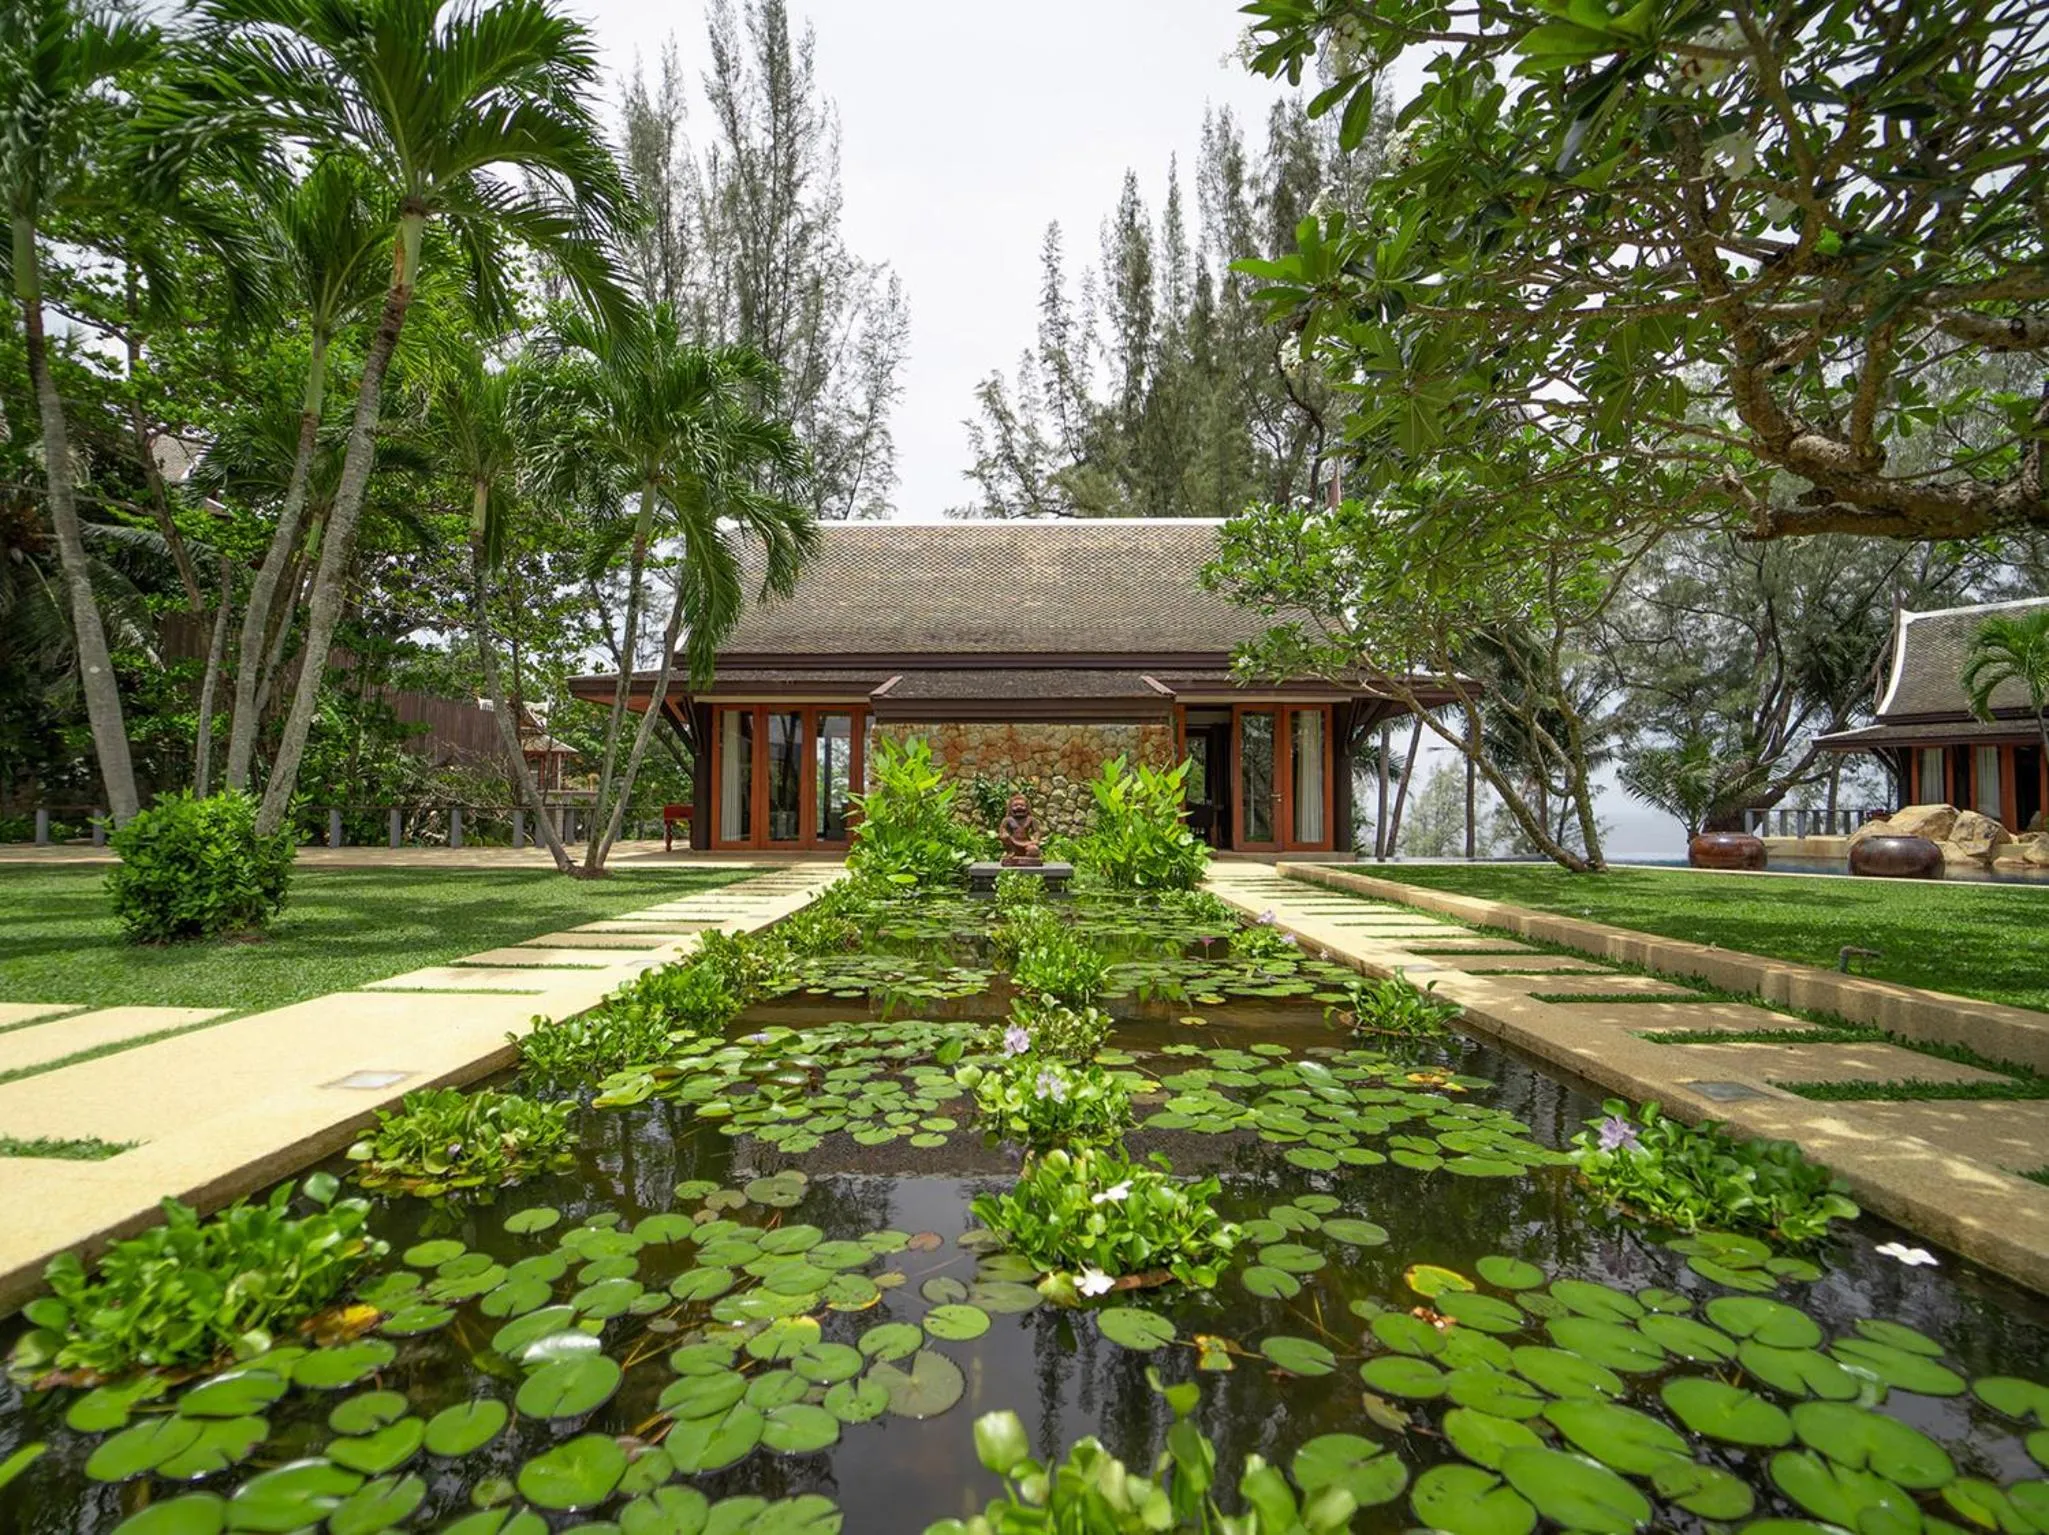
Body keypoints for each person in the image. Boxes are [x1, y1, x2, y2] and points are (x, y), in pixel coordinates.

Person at [998, 793, 1043, 865]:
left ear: (1027, 807)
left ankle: (1027, 858)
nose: (1019, 807)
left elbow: (1036, 831)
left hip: (1027, 843)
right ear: (1010, 807)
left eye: (1022, 805)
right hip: (1012, 843)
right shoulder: (1007, 820)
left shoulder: (1031, 819)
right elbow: (1002, 830)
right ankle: (1011, 852)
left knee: (1034, 850)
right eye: (1015, 805)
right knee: (1005, 837)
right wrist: (1004, 834)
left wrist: (1036, 839)